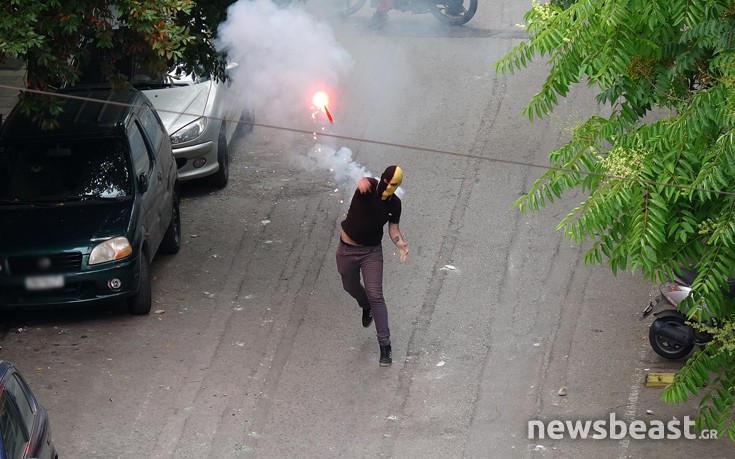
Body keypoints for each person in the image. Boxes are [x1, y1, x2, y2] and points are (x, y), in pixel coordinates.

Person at [336, 165, 408, 367]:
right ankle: (364, 304)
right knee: (349, 286)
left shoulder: (395, 204)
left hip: (371, 253)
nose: (390, 188)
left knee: (376, 294)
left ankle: (385, 345)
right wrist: (362, 182)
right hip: (346, 250)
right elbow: (364, 182)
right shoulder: (369, 187)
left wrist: (400, 243)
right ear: (383, 179)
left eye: (395, 185)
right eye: (388, 182)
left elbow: (393, 229)